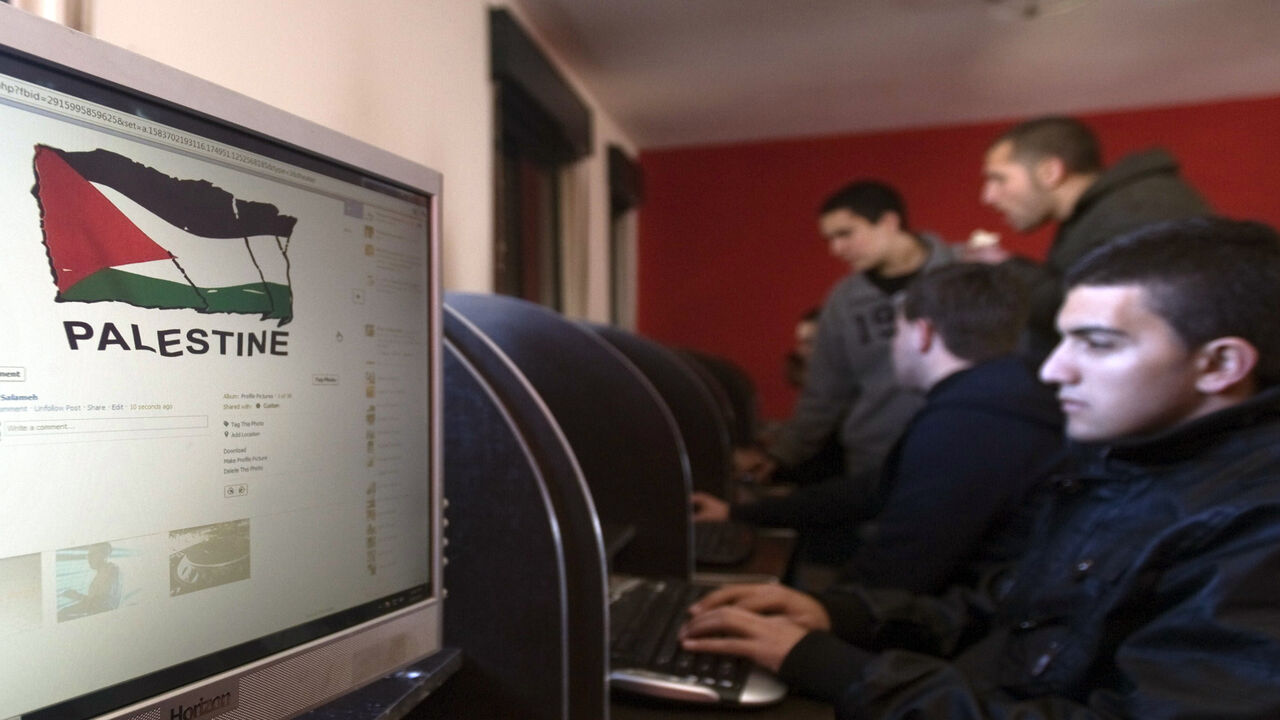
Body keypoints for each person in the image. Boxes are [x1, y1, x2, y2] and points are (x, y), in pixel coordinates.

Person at [680, 217, 1280, 718]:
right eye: (1061, 341)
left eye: (1096, 344)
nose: (1053, 372)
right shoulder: (1129, 461)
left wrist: (841, 669)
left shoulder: (1258, 528)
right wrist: (843, 615)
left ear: (1220, 364)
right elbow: (1022, 606)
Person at [697, 263, 1062, 593]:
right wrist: (738, 514)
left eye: (897, 332)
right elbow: (873, 489)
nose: (893, 346)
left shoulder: (969, 424)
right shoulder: (995, 396)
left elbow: (897, 571)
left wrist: (816, 614)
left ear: (923, 334)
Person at [718, 181, 955, 562]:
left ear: (890, 222)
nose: (836, 249)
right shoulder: (844, 301)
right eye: (830, 238)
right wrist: (781, 454)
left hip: (958, 449)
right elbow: (824, 392)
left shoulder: (966, 272)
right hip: (875, 458)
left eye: (846, 233)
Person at [976, 116, 1211, 356]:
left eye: (999, 178)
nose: (988, 196)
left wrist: (1006, 269)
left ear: (1049, 172)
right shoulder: (1103, 212)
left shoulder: (1137, 209)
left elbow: (1103, 317)